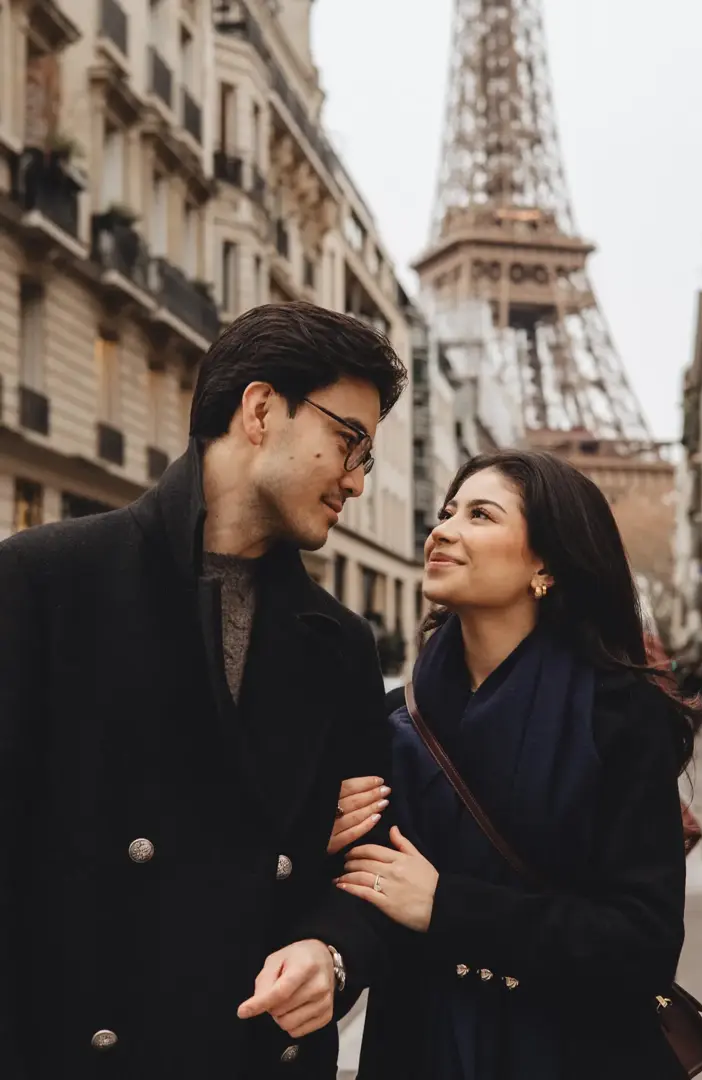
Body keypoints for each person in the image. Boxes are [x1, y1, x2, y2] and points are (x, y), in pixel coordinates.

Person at [0, 302, 406, 1079]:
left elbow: (366, 868)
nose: (356, 480)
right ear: (261, 410)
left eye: (367, 457)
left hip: (255, 1051)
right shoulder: (43, 583)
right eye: (348, 441)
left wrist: (332, 953)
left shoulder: (341, 643)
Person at [331, 451, 696, 1080]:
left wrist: (448, 907)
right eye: (447, 512)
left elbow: (644, 941)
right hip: (418, 1048)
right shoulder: (395, 720)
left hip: (571, 1054)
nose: (442, 530)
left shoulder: (620, 715)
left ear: (545, 564)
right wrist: (324, 845)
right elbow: (365, 902)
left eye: (480, 515)